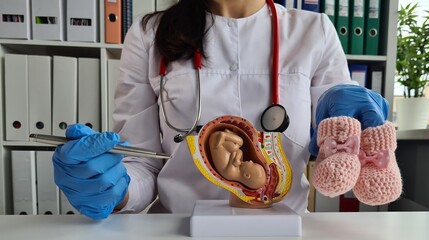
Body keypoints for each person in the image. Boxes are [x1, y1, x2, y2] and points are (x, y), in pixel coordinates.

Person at [52, 0, 389, 220]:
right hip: (178, 229)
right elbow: (142, 163)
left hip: (282, 229)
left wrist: (352, 142)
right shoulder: (148, 34)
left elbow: (336, 149)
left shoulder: (314, 32)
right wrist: (116, 188)